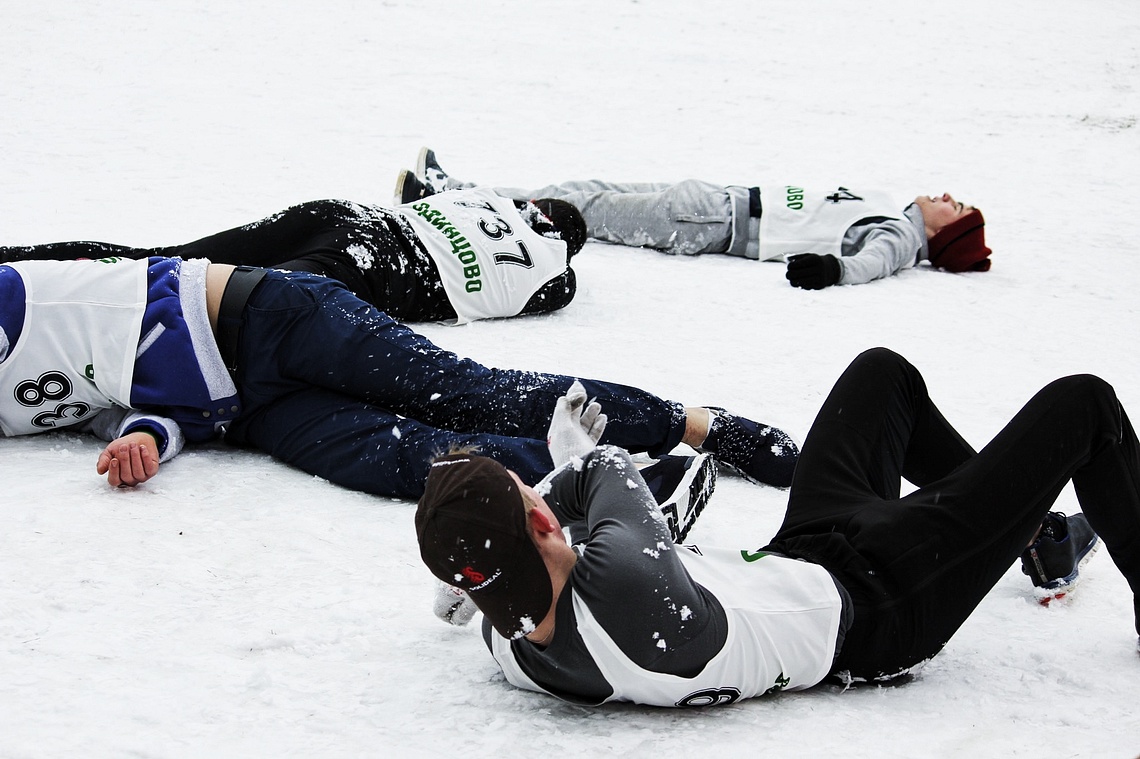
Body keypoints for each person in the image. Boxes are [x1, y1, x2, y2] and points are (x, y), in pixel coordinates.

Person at [414, 348, 1134, 707]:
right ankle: (1037, 533)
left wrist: (484, 570)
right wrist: (562, 469)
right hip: (885, 600)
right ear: (541, 519)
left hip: (805, 550)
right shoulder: (629, 590)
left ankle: (1033, 535)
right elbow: (607, 472)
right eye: (528, 493)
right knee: (1086, 406)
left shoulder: (515, 642)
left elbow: (501, 571)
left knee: (883, 376)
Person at [0, 255, 797, 503]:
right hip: (239, 413)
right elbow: (102, 402)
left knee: (473, 391)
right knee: (413, 462)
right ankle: (606, 479)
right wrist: (144, 436)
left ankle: (697, 425)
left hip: (266, 316)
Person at [395, 148, 993, 290]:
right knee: (583, 192)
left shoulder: (896, 234)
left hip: (710, 222)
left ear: (945, 234)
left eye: (956, 206)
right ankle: (462, 193)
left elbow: (870, 264)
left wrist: (831, 270)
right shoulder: (891, 208)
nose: (946, 196)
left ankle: (448, 201)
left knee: (580, 208)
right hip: (714, 201)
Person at [0, 189, 588, 324]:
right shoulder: (551, 276)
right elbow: (561, 290)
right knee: (214, 299)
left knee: (166, 260)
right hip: (380, 267)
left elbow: (420, 182)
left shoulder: (484, 194)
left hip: (347, 216)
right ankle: (74, 319)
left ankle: (23, 262)